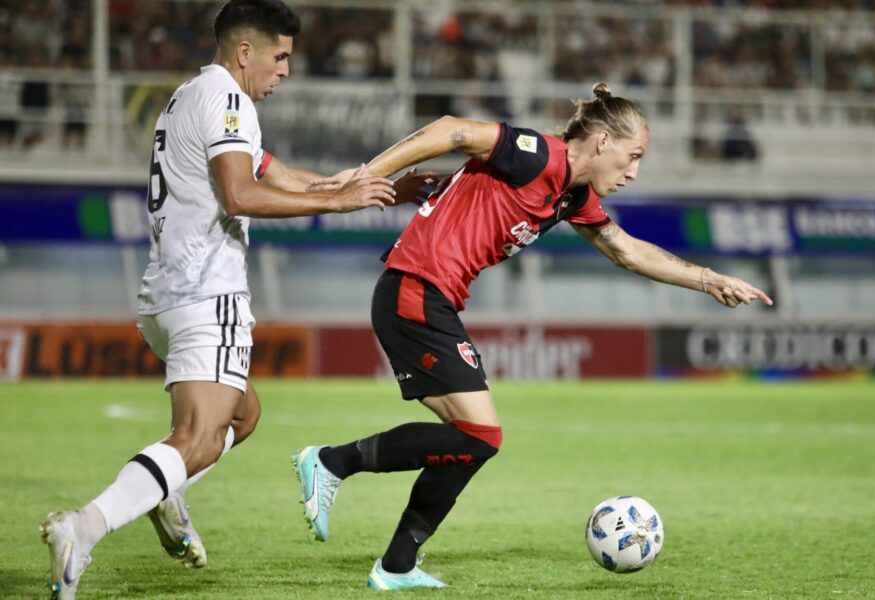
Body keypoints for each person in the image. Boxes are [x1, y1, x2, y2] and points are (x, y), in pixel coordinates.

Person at [292, 83, 773, 590]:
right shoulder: (538, 155)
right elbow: (450, 129)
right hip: (415, 289)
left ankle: (397, 565)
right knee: (481, 436)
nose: (634, 172)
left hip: (428, 298)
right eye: (633, 157)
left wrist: (708, 279)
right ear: (603, 141)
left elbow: (626, 251)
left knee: (473, 442)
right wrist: (370, 175)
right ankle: (330, 462)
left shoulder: (573, 194)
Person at [39, 2, 407, 598]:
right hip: (208, 294)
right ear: (245, 53)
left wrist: (350, 186)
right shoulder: (230, 99)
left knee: (243, 414)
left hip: (166, 296)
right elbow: (240, 194)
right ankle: (84, 527)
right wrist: (335, 205)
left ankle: (166, 490)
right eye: (280, 56)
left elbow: (271, 170)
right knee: (198, 438)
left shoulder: (190, 96)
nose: (285, 69)